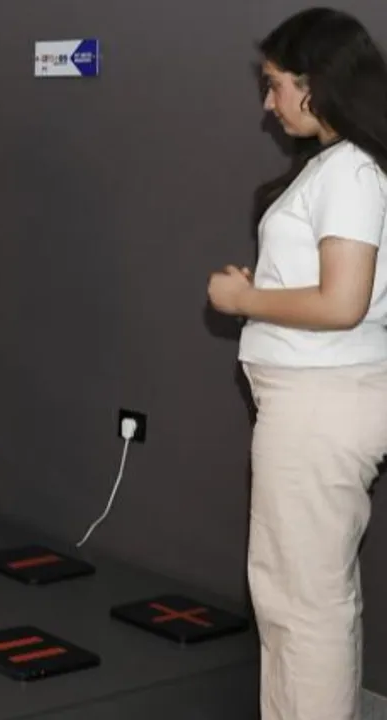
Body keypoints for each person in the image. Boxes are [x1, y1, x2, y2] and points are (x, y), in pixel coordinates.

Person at [207, 8, 387, 719]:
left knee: (301, 603)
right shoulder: (343, 168)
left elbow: (343, 302)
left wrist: (244, 298)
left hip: (321, 405)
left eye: (275, 84)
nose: (268, 102)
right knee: (300, 597)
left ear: (316, 84)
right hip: (318, 400)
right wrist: (265, 290)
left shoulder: (351, 173)